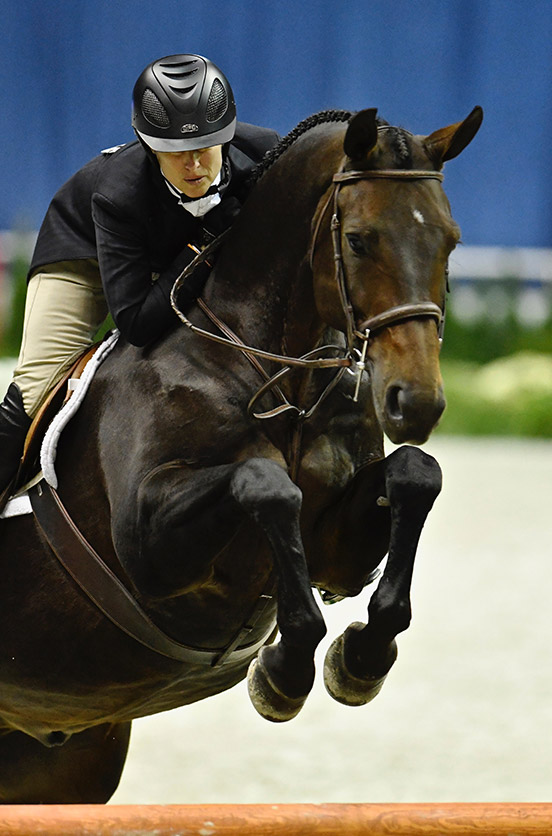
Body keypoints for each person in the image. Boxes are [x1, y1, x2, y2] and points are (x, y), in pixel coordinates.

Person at [0, 53, 280, 505]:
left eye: (204, 148)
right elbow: (137, 323)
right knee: (36, 389)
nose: (193, 166)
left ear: (227, 137)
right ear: (149, 147)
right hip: (84, 254)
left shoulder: (265, 155)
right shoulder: (119, 194)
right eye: (174, 153)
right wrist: (209, 237)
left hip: (175, 251)